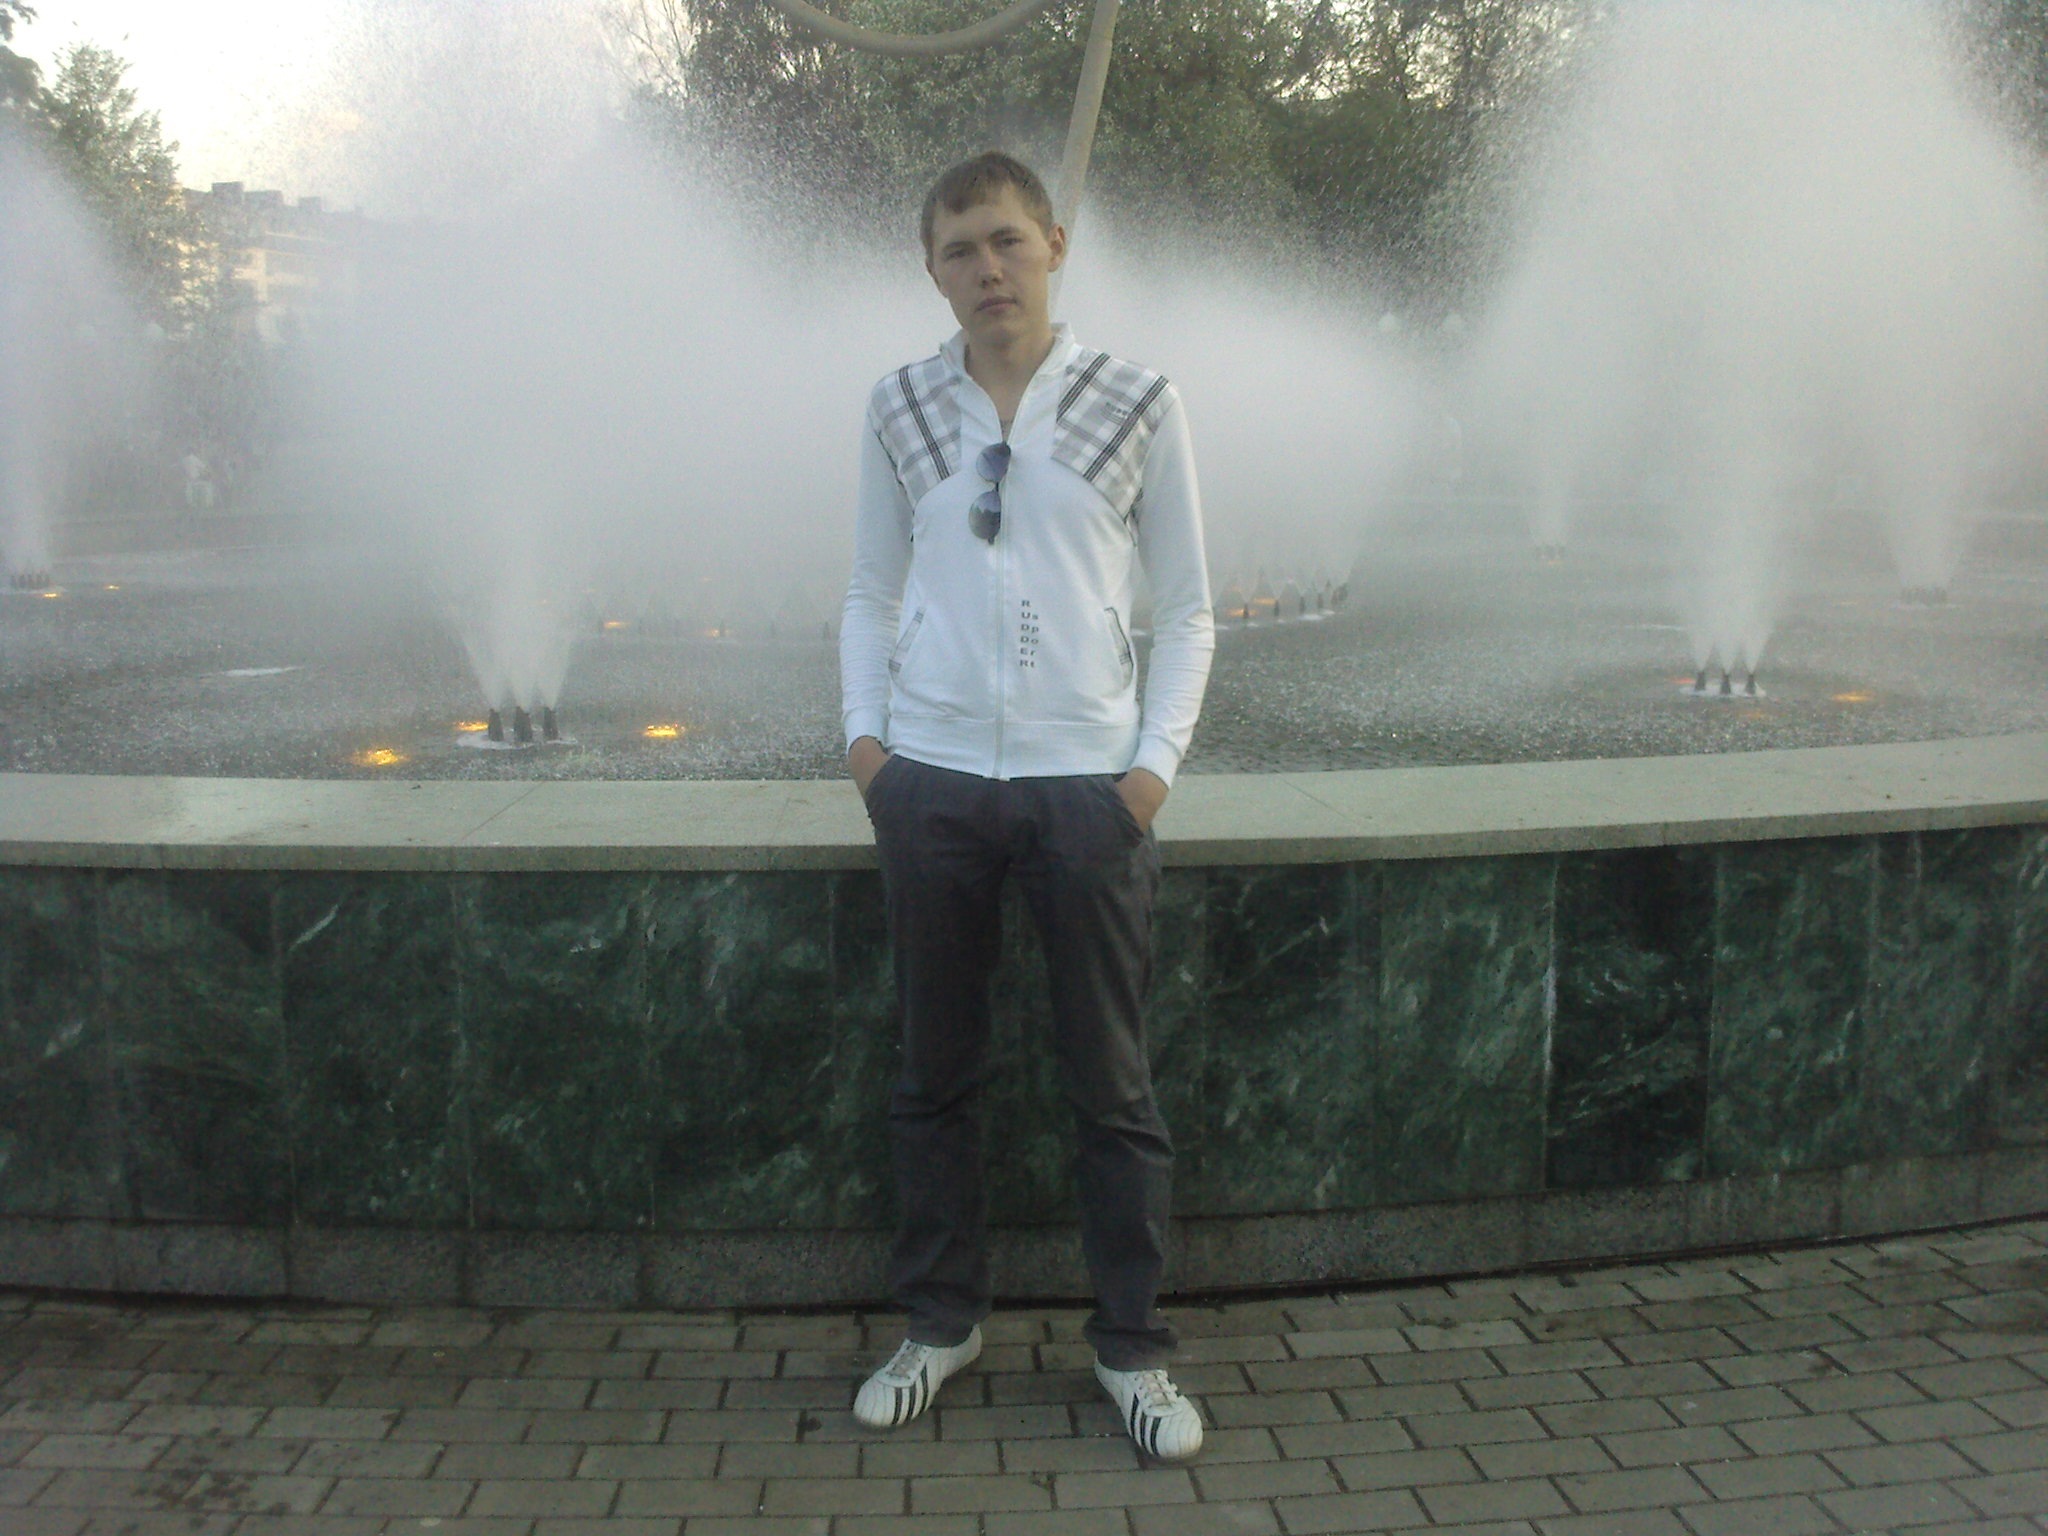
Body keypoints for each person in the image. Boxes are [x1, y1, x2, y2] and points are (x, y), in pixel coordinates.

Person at [839, 151, 1215, 1461]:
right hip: (933, 784)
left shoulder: (1136, 401)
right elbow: (870, 592)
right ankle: (940, 1325)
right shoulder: (900, 404)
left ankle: (1133, 1350)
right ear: (932, 270)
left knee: (1113, 1089)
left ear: (1054, 244)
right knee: (932, 1080)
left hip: (1085, 793)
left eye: (1007, 241)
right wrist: (870, 751)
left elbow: (1192, 608)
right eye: (961, 250)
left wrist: (1148, 775)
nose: (988, 269)